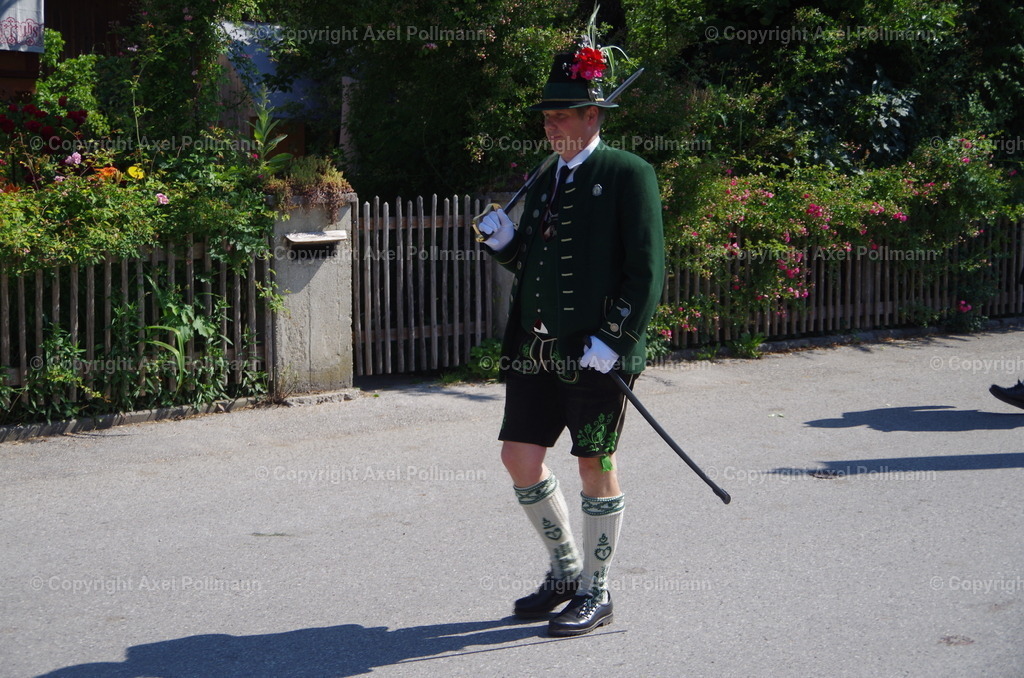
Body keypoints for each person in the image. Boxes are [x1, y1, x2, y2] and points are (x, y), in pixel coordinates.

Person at [477, 48, 665, 637]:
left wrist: (615, 339)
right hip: (535, 348)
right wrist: (505, 244)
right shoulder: (544, 174)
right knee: (519, 457)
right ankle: (564, 570)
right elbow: (535, 263)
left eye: (562, 114)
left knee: (594, 462)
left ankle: (597, 592)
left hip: (596, 353)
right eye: (547, 116)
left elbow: (647, 269)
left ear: (593, 116)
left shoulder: (629, 173)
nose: (550, 124)